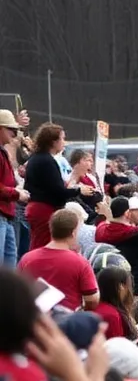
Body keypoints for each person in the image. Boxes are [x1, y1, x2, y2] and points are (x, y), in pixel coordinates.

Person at [22, 123, 100, 250]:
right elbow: (58, 190)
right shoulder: (46, 161)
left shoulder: (38, 159)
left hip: (38, 208)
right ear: (53, 142)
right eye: (62, 139)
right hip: (43, 210)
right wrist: (79, 190)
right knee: (43, 246)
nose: (65, 142)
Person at [17, 209, 98, 310]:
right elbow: (92, 299)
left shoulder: (27, 259)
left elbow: (17, 292)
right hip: (67, 321)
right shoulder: (80, 262)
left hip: (34, 320)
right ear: (73, 233)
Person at [0, 109, 27, 266]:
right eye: (11, 129)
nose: (14, 133)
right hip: (2, 213)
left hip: (6, 214)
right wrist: (16, 194)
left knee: (10, 263)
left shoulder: (3, 152)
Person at [92, 265, 138, 340]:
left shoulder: (96, 307)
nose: (130, 290)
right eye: (129, 285)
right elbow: (115, 348)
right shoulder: (111, 315)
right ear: (120, 287)